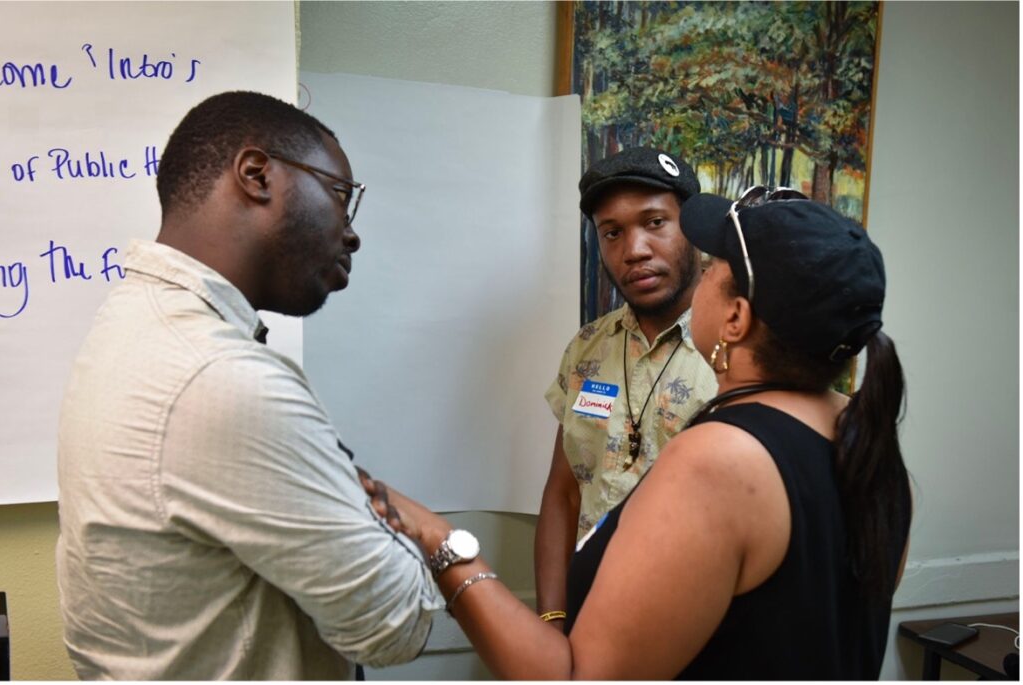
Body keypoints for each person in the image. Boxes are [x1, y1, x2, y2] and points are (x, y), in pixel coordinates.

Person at [369, 187, 912, 679]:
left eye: (716, 266)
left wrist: (440, 541)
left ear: (736, 320)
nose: (702, 273)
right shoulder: (871, 447)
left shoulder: (718, 457)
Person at [55, 91, 442, 680]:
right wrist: (423, 535)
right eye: (342, 196)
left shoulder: (133, 324)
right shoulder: (218, 377)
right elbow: (395, 623)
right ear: (257, 175)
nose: (352, 233)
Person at [535, 147, 717, 627]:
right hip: (589, 617)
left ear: (694, 229)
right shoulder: (587, 349)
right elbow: (564, 492)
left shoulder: (738, 349)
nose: (633, 249)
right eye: (612, 232)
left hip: (692, 631)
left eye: (654, 222)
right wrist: (554, 619)